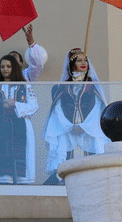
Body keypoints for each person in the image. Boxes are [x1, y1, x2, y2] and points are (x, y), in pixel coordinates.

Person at [0, 19, 46, 183]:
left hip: (19, 127)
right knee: (1, 173)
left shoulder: (26, 78)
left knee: (20, 170)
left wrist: (31, 42)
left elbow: (38, 63)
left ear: (20, 65)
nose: (7, 67)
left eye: (13, 62)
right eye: (5, 64)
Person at [43, 47, 107, 180]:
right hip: (67, 130)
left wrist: (84, 127)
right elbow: (57, 110)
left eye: (85, 60)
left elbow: (98, 109)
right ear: (72, 65)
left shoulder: (92, 85)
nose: (83, 63)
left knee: (94, 154)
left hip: (89, 131)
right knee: (63, 148)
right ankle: (63, 179)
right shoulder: (63, 87)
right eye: (79, 60)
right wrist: (69, 126)